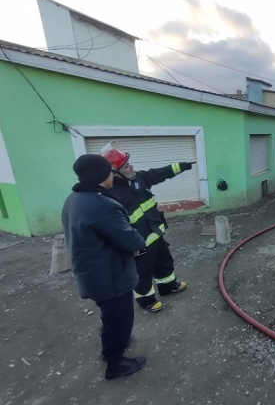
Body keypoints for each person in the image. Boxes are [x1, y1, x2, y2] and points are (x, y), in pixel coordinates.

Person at [62, 154, 147, 380]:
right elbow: (129, 240)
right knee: (120, 319)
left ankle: (114, 343)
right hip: (110, 276)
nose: (112, 175)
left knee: (111, 316)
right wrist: (139, 241)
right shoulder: (100, 205)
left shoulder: (74, 198)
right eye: (109, 172)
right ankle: (115, 363)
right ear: (101, 176)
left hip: (92, 272)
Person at [101, 142, 193, 312]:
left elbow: (159, 173)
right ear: (116, 173)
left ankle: (167, 286)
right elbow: (116, 227)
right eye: (127, 166)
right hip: (139, 243)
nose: (132, 167)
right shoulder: (111, 195)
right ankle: (146, 300)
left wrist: (181, 166)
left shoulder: (139, 178)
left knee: (164, 262)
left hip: (155, 234)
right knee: (142, 273)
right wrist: (130, 246)